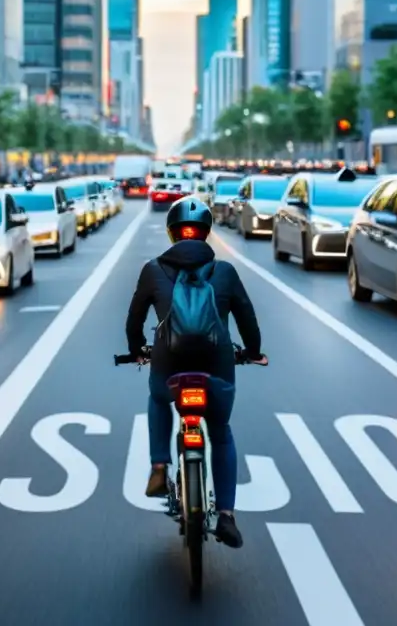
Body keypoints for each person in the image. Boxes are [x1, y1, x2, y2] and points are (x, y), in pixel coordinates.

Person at [124, 196, 267, 549]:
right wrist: (251, 352)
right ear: (207, 233)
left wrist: (135, 350)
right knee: (219, 433)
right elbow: (247, 319)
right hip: (217, 365)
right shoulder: (225, 272)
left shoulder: (152, 270)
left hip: (167, 364)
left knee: (158, 398)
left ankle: (159, 467)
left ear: (171, 234)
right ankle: (228, 517)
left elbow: (134, 321)